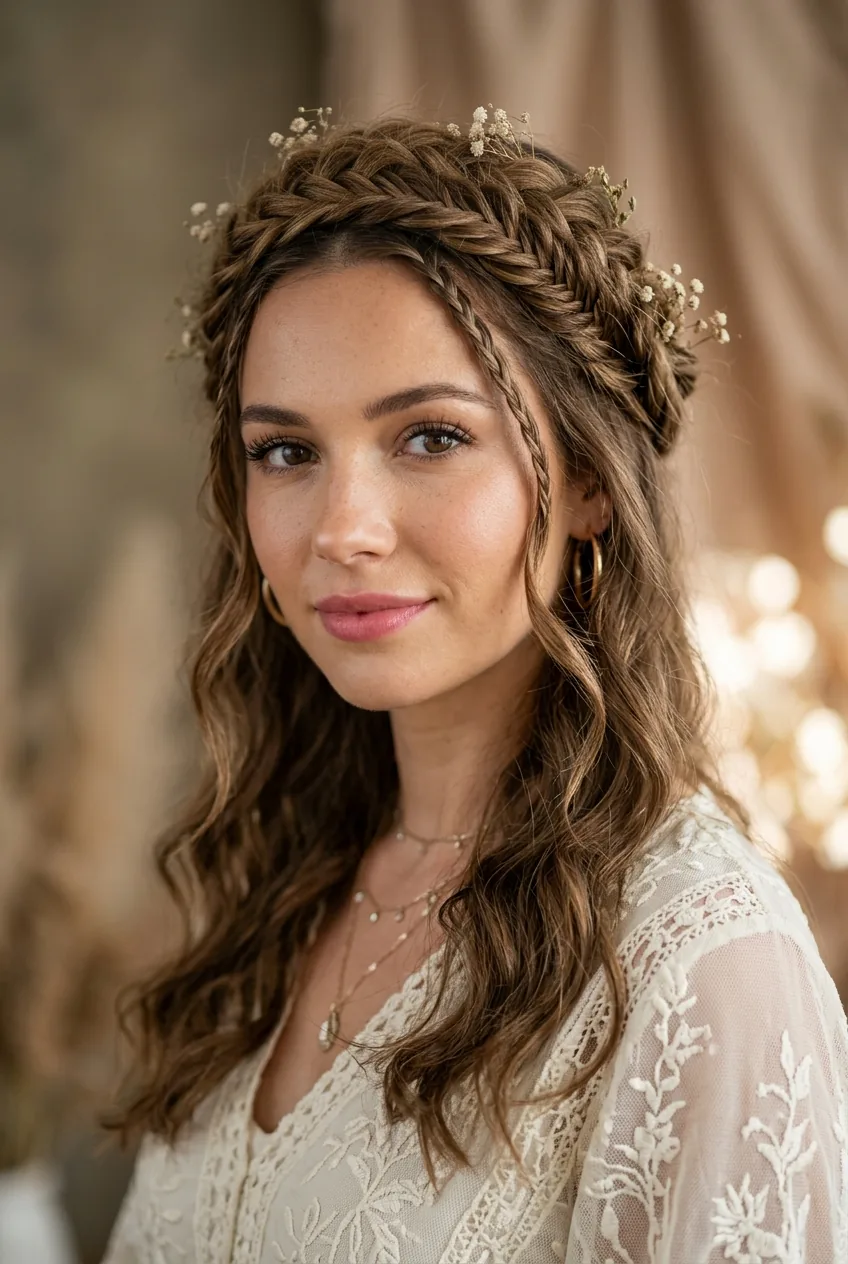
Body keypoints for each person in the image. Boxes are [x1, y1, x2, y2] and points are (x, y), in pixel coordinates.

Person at [101, 107, 848, 1263]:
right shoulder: (278, 884)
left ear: (589, 481)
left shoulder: (700, 964)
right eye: (286, 452)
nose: (341, 530)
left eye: (429, 438)